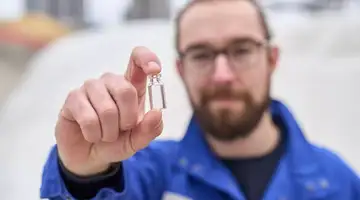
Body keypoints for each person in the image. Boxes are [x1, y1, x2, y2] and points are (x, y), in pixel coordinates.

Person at [40, 0, 360, 199]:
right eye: (202, 54)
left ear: (272, 59)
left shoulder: (337, 183)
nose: (222, 74)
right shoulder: (146, 172)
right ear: (180, 69)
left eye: (242, 50)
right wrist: (85, 177)